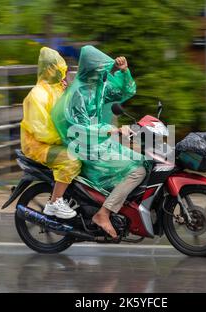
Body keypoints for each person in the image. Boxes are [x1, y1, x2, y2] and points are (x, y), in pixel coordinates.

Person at [52, 45, 146, 238]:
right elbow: (80, 127)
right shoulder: (78, 93)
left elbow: (124, 92)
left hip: (99, 141)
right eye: (101, 68)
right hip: (84, 146)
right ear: (91, 68)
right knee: (138, 170)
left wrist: (125, 71)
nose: (104, 72)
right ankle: (103, 214)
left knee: (144, 160)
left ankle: (120, 207)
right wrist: (112, 130)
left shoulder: (97, 87)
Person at [20, 47, 81, 219]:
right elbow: (41, 130)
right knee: (72, 160)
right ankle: (55, 202)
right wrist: (65, 139)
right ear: (49, 69)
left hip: (55, 140)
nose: (62, 72)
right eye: (59, 69)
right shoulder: (37, 95)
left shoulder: (56, 89)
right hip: (39, 145)